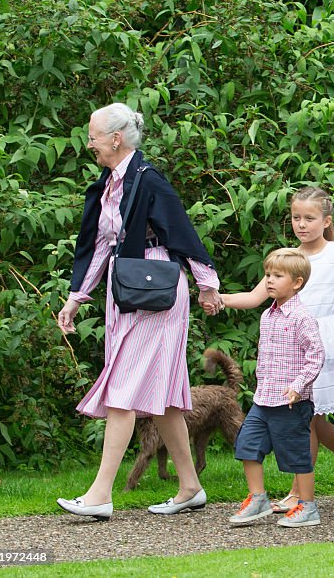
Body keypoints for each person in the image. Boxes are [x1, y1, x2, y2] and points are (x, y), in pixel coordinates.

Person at [56, 103, 221, 520]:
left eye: (93, 136)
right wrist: (77, 296)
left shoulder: (148, 180)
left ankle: (99, 495)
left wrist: (208, 284)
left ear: (116, 138)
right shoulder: (109, 183)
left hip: (155, 294)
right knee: (163, 399)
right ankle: (190, 487)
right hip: (126, 292)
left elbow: (181, 231)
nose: (88, 143)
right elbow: (101, 246)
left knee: (124, 391)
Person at [220, 187, 334, 510]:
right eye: (296, 217)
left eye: (309, 218)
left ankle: (299, 494)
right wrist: (219, 299)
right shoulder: (287, 258)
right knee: (311, 419)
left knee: (307, 419)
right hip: (291, 346)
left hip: (325, 341)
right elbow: (253, 298)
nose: (301, 224)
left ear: (326, 220)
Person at [227, 248, 325, 527]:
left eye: (277, 276)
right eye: (268, 274)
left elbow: (316, 354)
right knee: (247, 445)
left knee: (297, 455)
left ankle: (307, 506)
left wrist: (298, 386)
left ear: (296, 282)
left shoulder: (301, 317)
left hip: (291, 403)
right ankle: (257, 498)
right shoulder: (267, 316)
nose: (269, 280)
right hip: (264, 399)